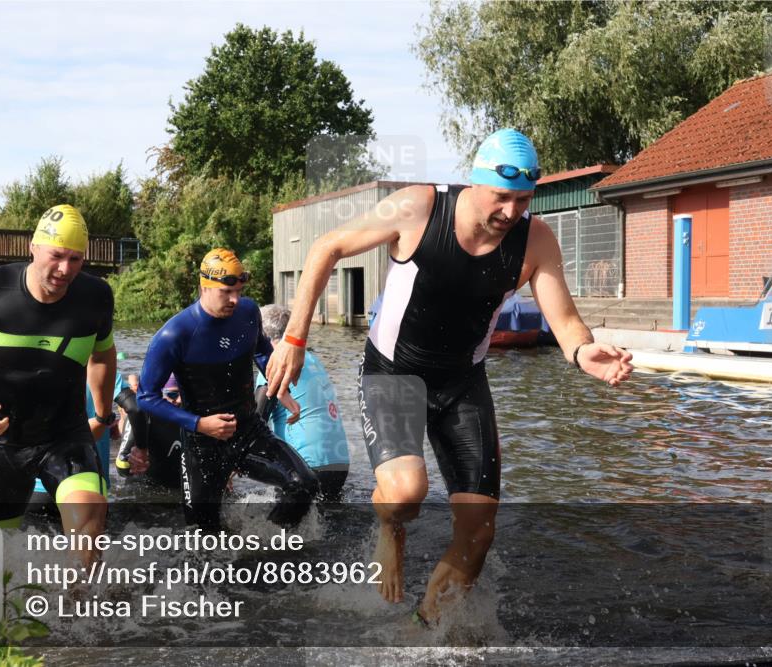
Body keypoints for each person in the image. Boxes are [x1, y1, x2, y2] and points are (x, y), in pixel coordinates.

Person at [265, 128, 634, 624]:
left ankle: (424, 629)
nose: (511, 212)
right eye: (501, 197)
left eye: (523, 200)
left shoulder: (536, 240)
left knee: (479, 531)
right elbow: (325, 248)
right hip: (394, 373)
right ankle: (390, 527)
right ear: (474, 182)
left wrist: (583, 350)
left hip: (462, 383)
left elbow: (565, 320)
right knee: (405, 495)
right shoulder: (420, 207)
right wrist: (294, 339)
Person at [0, 204, 116, 565]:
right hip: (4, 441)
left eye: (76, 259)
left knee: (89, 526)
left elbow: (102, 355)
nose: (65, 269)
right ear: (33, 247)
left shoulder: (96, 295)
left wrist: (102, 414)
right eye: (57, 256)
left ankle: (80, 601)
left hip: (66, 435)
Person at [136, 248, 319, 528]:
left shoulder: (248, 312)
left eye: (239, 291)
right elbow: (146, 397)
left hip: (248, 430)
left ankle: (266, 543)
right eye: (226, 292)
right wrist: (199, 424)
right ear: (204, 287)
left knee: (303, 484)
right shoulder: (174, 334)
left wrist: (278, 384)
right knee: (203, 533)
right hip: (202, 444)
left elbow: (261, 350)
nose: (235, 299)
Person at [254, 304, 350, 500]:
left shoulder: (274, 364)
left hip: (307, 466)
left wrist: (229, 469)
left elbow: (255, 424)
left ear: (262, 337)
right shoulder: (310, 359)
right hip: (339, 464)